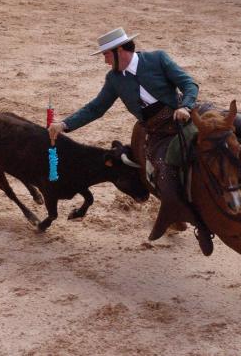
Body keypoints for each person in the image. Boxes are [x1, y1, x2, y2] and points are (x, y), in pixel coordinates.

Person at [48, 27, 215, 255]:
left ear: (119, 51)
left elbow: (189, 84)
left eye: (106, 55)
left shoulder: (157, 59)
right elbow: (97, 108)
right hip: (156, 132)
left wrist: (185, 106)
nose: (106, 61)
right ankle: (198, 225)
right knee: (163, 175)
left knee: (232, 128)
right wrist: (65, 124)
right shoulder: (114, 79)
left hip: (182, 118)